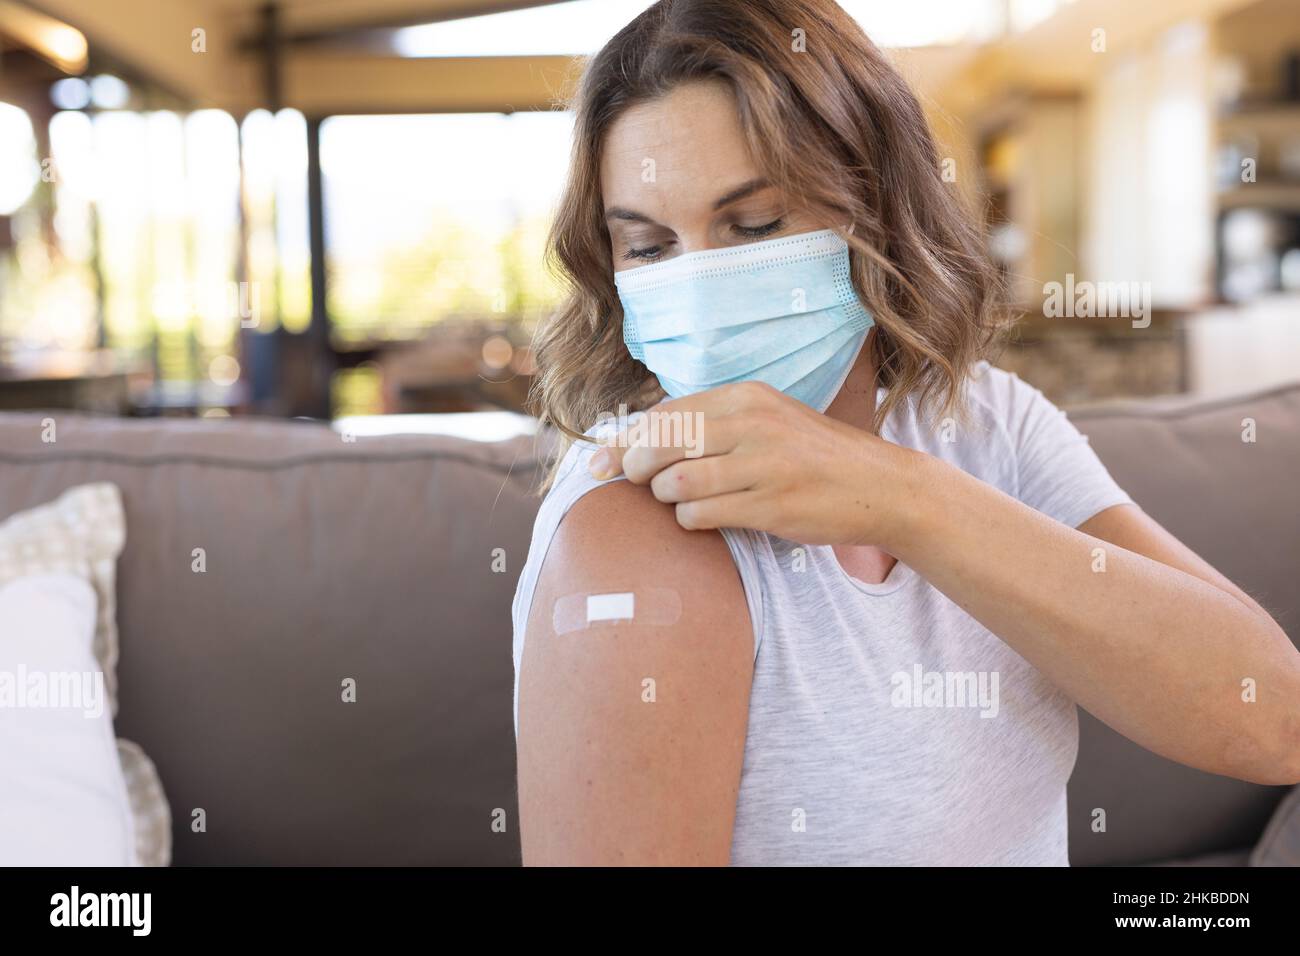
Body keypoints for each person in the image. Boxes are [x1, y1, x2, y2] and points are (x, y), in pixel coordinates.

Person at [512, 0, 1300, 866]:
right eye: (651, 247)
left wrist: (899, 496)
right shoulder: (638, 522)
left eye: (756, 225)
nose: (699, 283)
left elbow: (1273, 720)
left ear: (878, 210)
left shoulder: (987, 422)